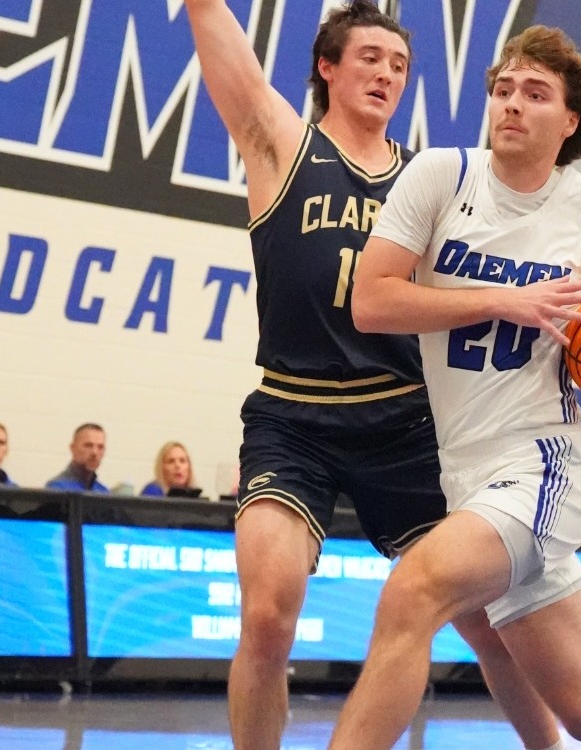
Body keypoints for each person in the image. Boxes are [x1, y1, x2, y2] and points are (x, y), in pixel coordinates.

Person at [329, 25, 581, 749]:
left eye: (534, 94)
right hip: (465, 469)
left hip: (542, 462)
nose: (511, 106)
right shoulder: (438, 176)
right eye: (501, 91)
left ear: (570, 121)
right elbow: (371, 301)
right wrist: (502, 300)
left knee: (414, 590)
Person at [186, 3, 560, 749]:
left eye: (398, 64)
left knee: (490, 623)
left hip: (404, 422)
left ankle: (550, 746)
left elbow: (525, 266)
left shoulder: (433, 178)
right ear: (327, 67)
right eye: (370, 58)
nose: (387, 73)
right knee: (266, 614)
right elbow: (230, 60)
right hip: (294, 415)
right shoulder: (283, 147)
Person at [45, 423, 108, 493]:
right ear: (73, 448)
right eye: (88, 446)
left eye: (100, 447)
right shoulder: (56, 488)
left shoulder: (103, 492)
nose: (95, 452)